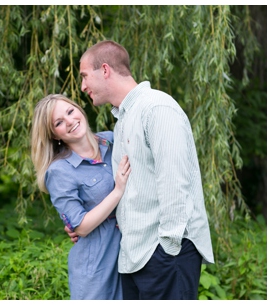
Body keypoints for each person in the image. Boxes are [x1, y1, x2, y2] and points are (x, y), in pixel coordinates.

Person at [76, 40, 215, 299]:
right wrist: (81, 223)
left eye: (85, 76)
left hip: (164, 255)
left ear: (104, 70)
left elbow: (174, 181)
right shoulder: (124, 119)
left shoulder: (156, 108)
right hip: (136, 256)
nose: (83, 86)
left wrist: (168, 248)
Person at [31, 94, 131, 299]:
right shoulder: (59, 171)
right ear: (54, 135)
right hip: (97, 266)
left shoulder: (114, 140)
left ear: (79, 110)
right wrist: (118, 192)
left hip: (133, 254)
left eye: (70, 111)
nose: (70, 121)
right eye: (59, 122)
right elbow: (82, 227)